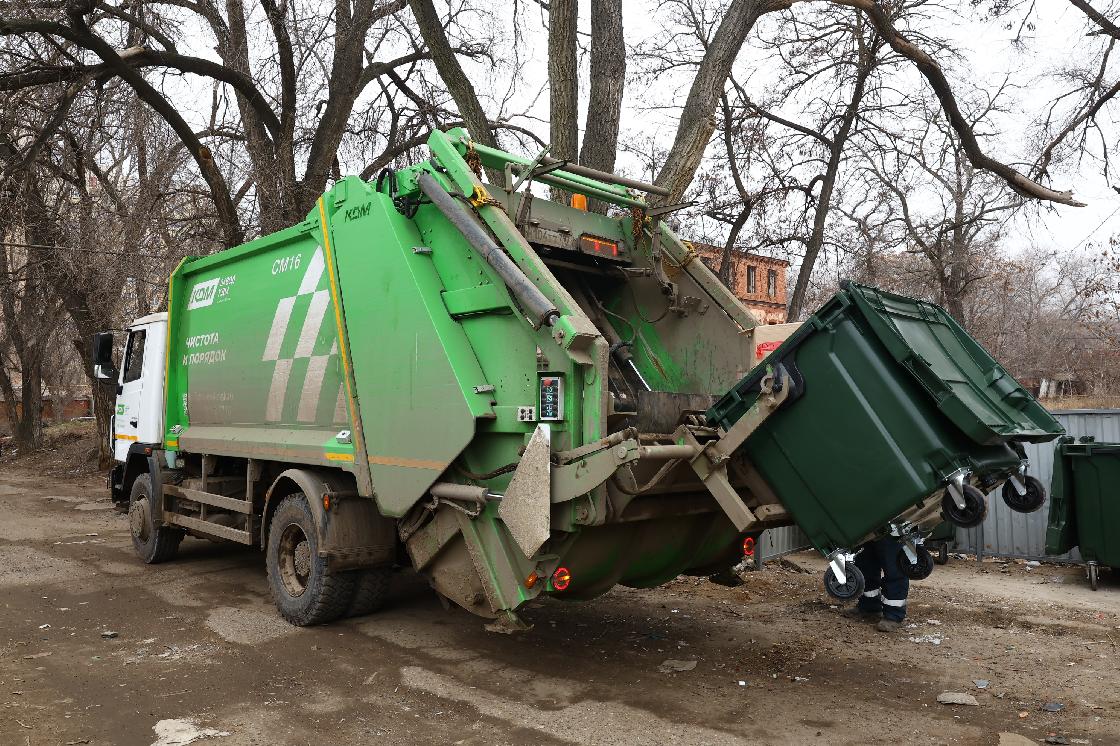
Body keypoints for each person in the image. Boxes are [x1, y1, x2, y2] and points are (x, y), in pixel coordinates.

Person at [850, 536, 909, 632]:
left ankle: (894, 615)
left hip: (890, 531)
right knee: (865, 563)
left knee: (894, 566)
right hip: (863, 529)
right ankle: (869, 606)